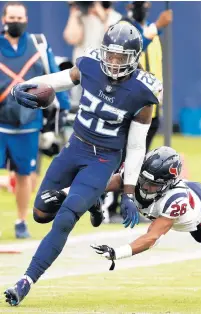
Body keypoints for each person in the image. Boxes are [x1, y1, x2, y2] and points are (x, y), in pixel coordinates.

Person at [4, 22, 162, 306]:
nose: (113, 63)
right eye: (110, 55)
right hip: (75, 147)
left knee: (64, 218)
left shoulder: (142, 92)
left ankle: (25, 281)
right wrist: (28, 86)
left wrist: (127, 191)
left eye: (120, 57)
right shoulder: (90, 64)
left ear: (134, 58)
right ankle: (93, 200)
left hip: (103, 159)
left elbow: (137, 145)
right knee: (40, 213)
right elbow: (63, 78)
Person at [31, 146, 201, 271]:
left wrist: (119, 252)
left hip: (199, 213)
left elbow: (151, 237)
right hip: (200, 198)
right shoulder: (136, 174)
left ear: (167, 183)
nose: (146, 186)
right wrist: (64, 194)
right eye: (144, 180)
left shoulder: (173, 200)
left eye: (153, 184)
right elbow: (97, 185)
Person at [0, 1, 70, 238]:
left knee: (25, 174)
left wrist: (60, 115)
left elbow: (53, 76)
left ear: (26, 20)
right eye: (12, 18)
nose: (15, 22)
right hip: (0, 121)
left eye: (20, 19)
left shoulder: (38, 44)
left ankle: (21, 220)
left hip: (28, 122)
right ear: (3, 19)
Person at [105, 1, 172, 221]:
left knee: (138, 156)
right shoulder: (126, 28)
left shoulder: (152, 30)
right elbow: (139, 43)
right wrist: (157, 27)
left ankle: (129, 201)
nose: (146, 6)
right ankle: (109, 204)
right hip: (131, 106)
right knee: (123, 155)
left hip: (151, 106)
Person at [63, 1, 122, 109]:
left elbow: (114, 40)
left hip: (104, 74)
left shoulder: (115, 17)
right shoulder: (80, 16)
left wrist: (101, 15)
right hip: (81, 71)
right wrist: (74, 14)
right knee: (78, 108)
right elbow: (71, 38)